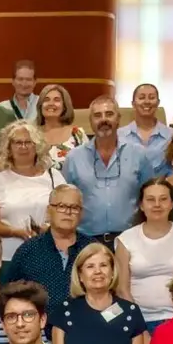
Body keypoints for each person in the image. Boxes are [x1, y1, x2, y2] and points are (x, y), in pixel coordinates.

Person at [66, 96, 154, 247]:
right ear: (90, 122)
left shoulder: (139, 154)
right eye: (97, 115)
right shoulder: (74, 158)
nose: (103, 120)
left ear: (118, 119)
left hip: (130, 240)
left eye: (109, 114)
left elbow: (150, 195)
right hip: (85, 241)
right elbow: (65, 201)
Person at [1, 183, 84, 336]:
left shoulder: (92, 249)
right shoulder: (28, 250)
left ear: (81, 214)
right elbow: (7, 293)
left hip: (85, 334)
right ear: (48, 211)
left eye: (74, 208)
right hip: (39, 337)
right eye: (61, 206)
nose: (68, 212)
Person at [118, 177, 173, 328]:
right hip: (139, 320)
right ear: (141, 205)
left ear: (171, 204)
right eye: (150, 199)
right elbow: (122, 289)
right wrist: (138, 328)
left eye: (163, 199)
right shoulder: (125, 240)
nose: (157, 205)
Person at [0, 121, 61, 260]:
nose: (23, 147)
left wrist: (50, 227)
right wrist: (14, 231)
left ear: (37, 146)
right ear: (9, 148)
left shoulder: (54, 176)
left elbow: (66, 208)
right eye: (17, 143)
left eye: (28, 142)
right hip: (9, 256)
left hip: (50, 253)